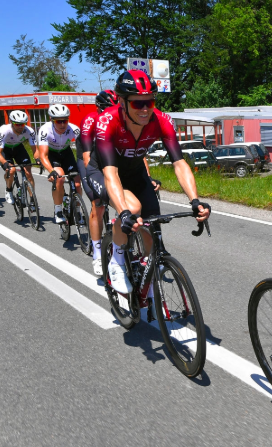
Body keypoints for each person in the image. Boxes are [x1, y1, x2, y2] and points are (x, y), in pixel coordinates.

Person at [90, 70, 210, 293]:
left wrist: (195, 201)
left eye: (150, 102)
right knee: (133, 209)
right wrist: (124, 212)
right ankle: (116, 261)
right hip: (103, 171)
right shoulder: (107, 121)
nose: (145, 109)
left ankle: (145, 271)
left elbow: (179, 163)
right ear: (123, 103)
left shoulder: (162, 120)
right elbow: (110, 173)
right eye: (138, 104)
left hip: (135, 173)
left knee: (152, 223)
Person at [79, 90, 117, 275]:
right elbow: (87, 158)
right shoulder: (90, 120)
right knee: (98, 203)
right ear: (99, 109)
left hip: (109, 159)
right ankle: (97, 253)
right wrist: (101, 181)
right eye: (108, 109)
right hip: (88, 159)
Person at [38, 104, 81, 225]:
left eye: (65, 121)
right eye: (59, 121)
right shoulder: (45, 130)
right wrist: (51, 170)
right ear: (52, 120)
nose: (62, 124)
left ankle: (78, 211)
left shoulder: (74, 129)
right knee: (60, 177)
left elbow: (84, 148)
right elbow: (43, 155)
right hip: (52, 154)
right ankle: (57, 211)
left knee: (77, 182)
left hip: (66, 153)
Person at [0, 110, 37, 205]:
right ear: (11, 123)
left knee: (28, 172)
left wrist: (38, 160)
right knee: (11, 170)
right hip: (6, 149)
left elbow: (35, 150)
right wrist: (5, 163)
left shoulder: (29, 131)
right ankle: (8, 189)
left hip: (18, 148)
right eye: (17, 124)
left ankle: (32, 199)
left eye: (23, 124)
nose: (21, 127)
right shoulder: (4, 130)